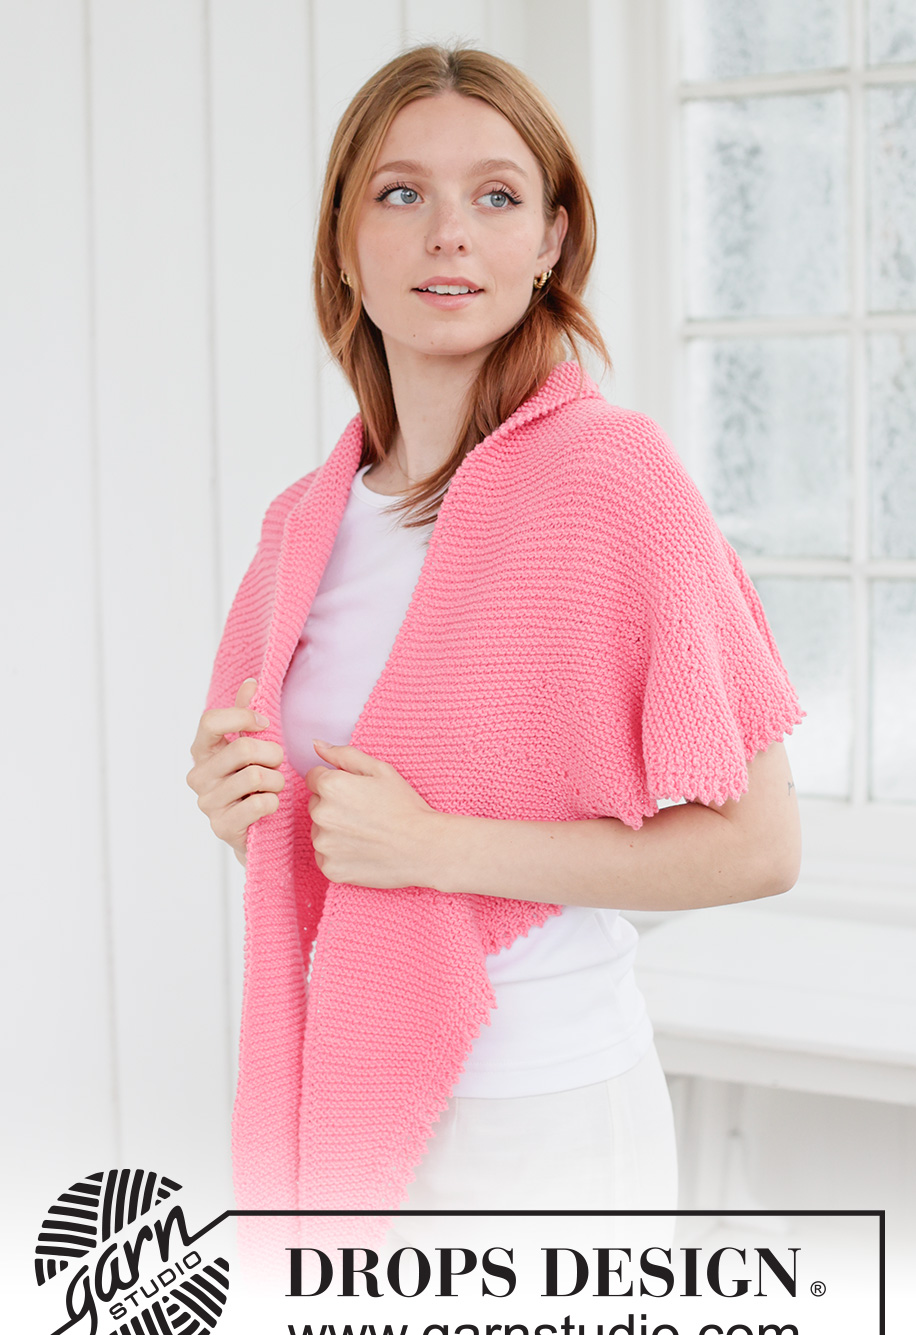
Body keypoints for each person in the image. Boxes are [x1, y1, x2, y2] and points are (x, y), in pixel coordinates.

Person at [187, 45, 803, 1272]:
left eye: (497, 195)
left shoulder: (613, 484)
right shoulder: (302, 528)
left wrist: (439, 847)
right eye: (400, 192)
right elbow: (331, 842)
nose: (449, 233)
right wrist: (238, 804)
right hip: (346, 1096)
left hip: (545, 1121)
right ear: (345, 241)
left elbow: (759, 844)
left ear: (551, 243)